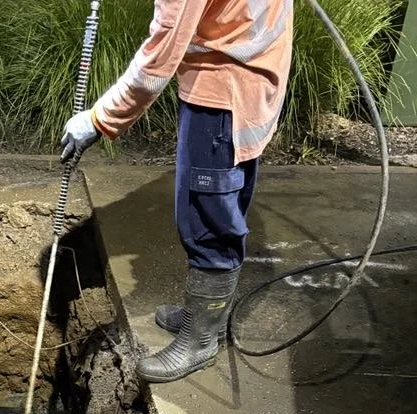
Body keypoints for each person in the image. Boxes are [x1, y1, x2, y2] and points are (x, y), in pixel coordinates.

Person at [61, 0, 293, 383]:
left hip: (224, 93)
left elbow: (162, 52)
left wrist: (100, 118)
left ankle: (200, 340)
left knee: (208, 219)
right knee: (223, 203)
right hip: (255, 72)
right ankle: (206, 319)